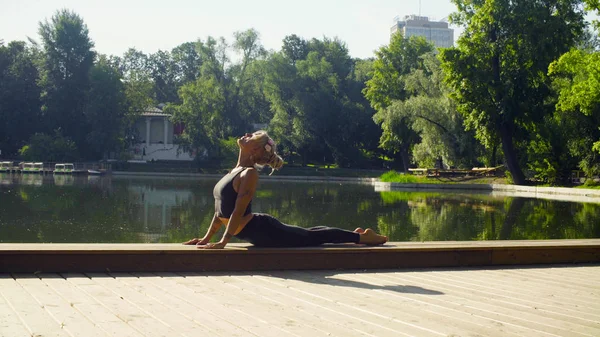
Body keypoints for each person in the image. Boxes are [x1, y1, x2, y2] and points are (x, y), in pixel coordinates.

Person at [184, 130, 388, 249]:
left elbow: (238, 211)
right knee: (308, 233)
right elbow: (220, 211)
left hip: (262, 230)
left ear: (255, 149)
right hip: (250, 232)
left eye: (252, 136)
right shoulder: (235, 171)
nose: (246, 135)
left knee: (312, 237)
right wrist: (205, 240)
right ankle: (357, 234)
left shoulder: (249, 174)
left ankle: (362, 237)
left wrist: (223, 242)